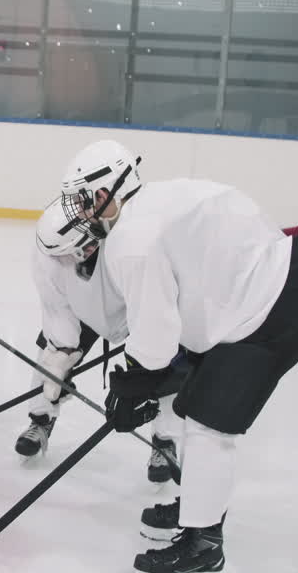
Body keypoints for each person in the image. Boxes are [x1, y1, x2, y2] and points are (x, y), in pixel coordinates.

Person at [61, 139, 298, 573]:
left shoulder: (131, 241)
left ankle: (203, 550)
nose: (81, 211)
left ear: (107, 193)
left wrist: (130, 386)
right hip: (263, 301)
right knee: (194, 408)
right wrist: (141, 379)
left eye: (84, 199)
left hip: (267, 314)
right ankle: (197, 509)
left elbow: (157, 337)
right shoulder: (159, 198)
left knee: (209, 424)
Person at [18, 195, 180, 484]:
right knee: (50, 350)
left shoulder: (128, 247)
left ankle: (164, 441)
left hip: (135, 306)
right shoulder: (48, 254)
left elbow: (154, 305)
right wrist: (61, 358)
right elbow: (57, 310)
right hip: (85, 306)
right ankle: (40, 419)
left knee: (166, 364)